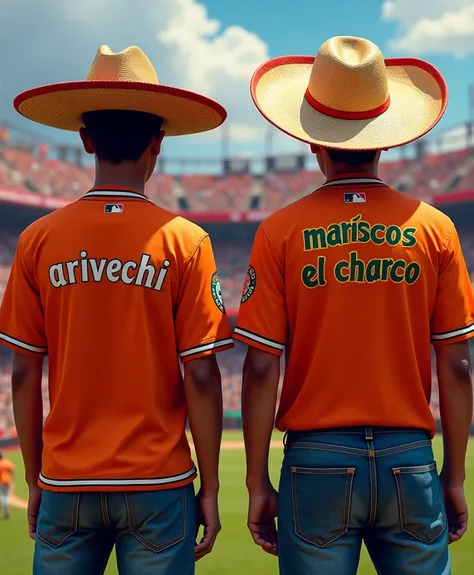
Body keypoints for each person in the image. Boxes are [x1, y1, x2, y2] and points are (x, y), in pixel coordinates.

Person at [235, 36, 474, 575]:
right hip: (409, 459)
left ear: (313, 143)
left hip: (315, 459)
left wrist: (256, 482)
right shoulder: (435, 228)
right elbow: (457, 363)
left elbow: (259, 365)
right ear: (383, 142)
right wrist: (453, 476)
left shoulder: (280, 231)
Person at [0, 45, 234, 574]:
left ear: (85, 139)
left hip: (67, 481)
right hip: (158, 483)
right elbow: (201, 375)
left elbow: (22, 372)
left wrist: (36, 478)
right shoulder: (187, 241)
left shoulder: (37, 239)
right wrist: (212, 487)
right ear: (159, 143)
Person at [0, 452, 15, 518]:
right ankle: (6, 510)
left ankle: (5, 510)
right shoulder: (6, 462)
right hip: (8, 480)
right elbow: (12, 471)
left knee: (3, 496)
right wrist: (13, 479)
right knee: (6, 495)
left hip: (1, 481)